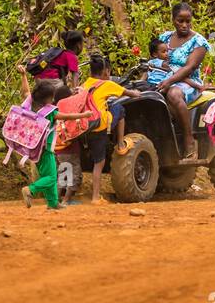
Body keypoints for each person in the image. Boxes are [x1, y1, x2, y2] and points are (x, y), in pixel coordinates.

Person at [16, 66, 93, 210]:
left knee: (48, 174)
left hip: (32, 149)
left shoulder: (29, 104)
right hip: (45, 150)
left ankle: (53, 203)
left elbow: (25, 91)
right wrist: (84, 115)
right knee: (51, 177)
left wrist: (23, 75)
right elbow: (68, 116)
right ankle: (30, 190)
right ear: (48, 99)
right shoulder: (49, 112)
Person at [153, 3, 212, 160]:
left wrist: (170, 81)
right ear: (173, 19)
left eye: (188, 21)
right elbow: (155, 59)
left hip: (188, 82)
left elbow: (190, 67)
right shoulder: (164, 38)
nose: (185, 25)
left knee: (173, 93)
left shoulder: (199, 42)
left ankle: (189, 139)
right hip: (163, 77)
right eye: (180, 21)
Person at [81, 53, 143, 201]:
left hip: (85, 126)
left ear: (90, 72)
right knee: (120, 109)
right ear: (106, 71)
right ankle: (120, 143)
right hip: (100, 126)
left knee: (96, 159)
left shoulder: (85, 84)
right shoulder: (108, 84)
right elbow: (131, 94)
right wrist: (138, 93)